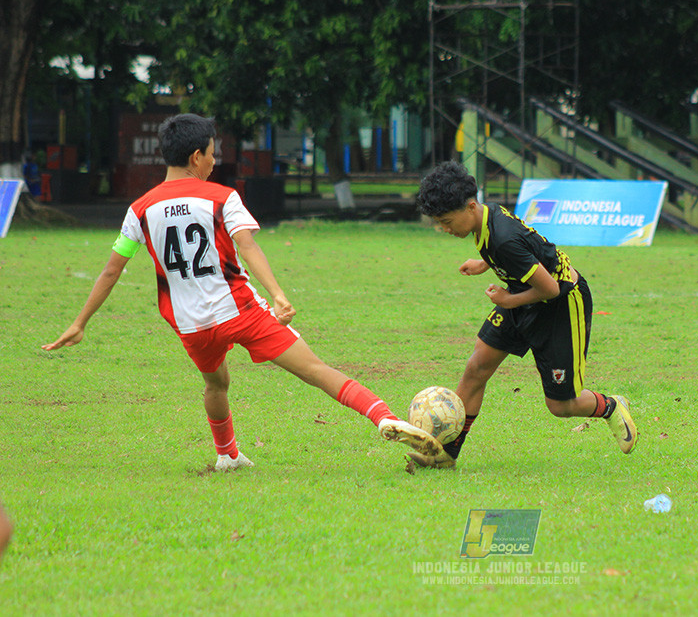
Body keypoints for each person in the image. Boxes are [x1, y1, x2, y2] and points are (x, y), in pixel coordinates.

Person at [42, 113, 444, 471]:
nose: (215, 161)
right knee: (317, 370)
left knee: (216, 385)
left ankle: (227, 455)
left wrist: (80, 324)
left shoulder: (140, 209)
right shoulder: (221, 197)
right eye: (213, 154)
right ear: (197, 156)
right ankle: (383, 417)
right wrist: (278, 292)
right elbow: (247, 245)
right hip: (240, 312)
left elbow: (112, 270)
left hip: (191, 324)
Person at [410, 161, 637, 469]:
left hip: (559, 303)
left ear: (471, 206)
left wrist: (508, 299)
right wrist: (485, 263)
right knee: (477, 366)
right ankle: (446, 451)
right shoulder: (486, 218)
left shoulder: (502, 238)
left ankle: (610, 406)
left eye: (447, 221)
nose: (445, 229)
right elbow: (522, 248)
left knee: (561, 405)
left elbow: (549, 289)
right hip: (521, 294)